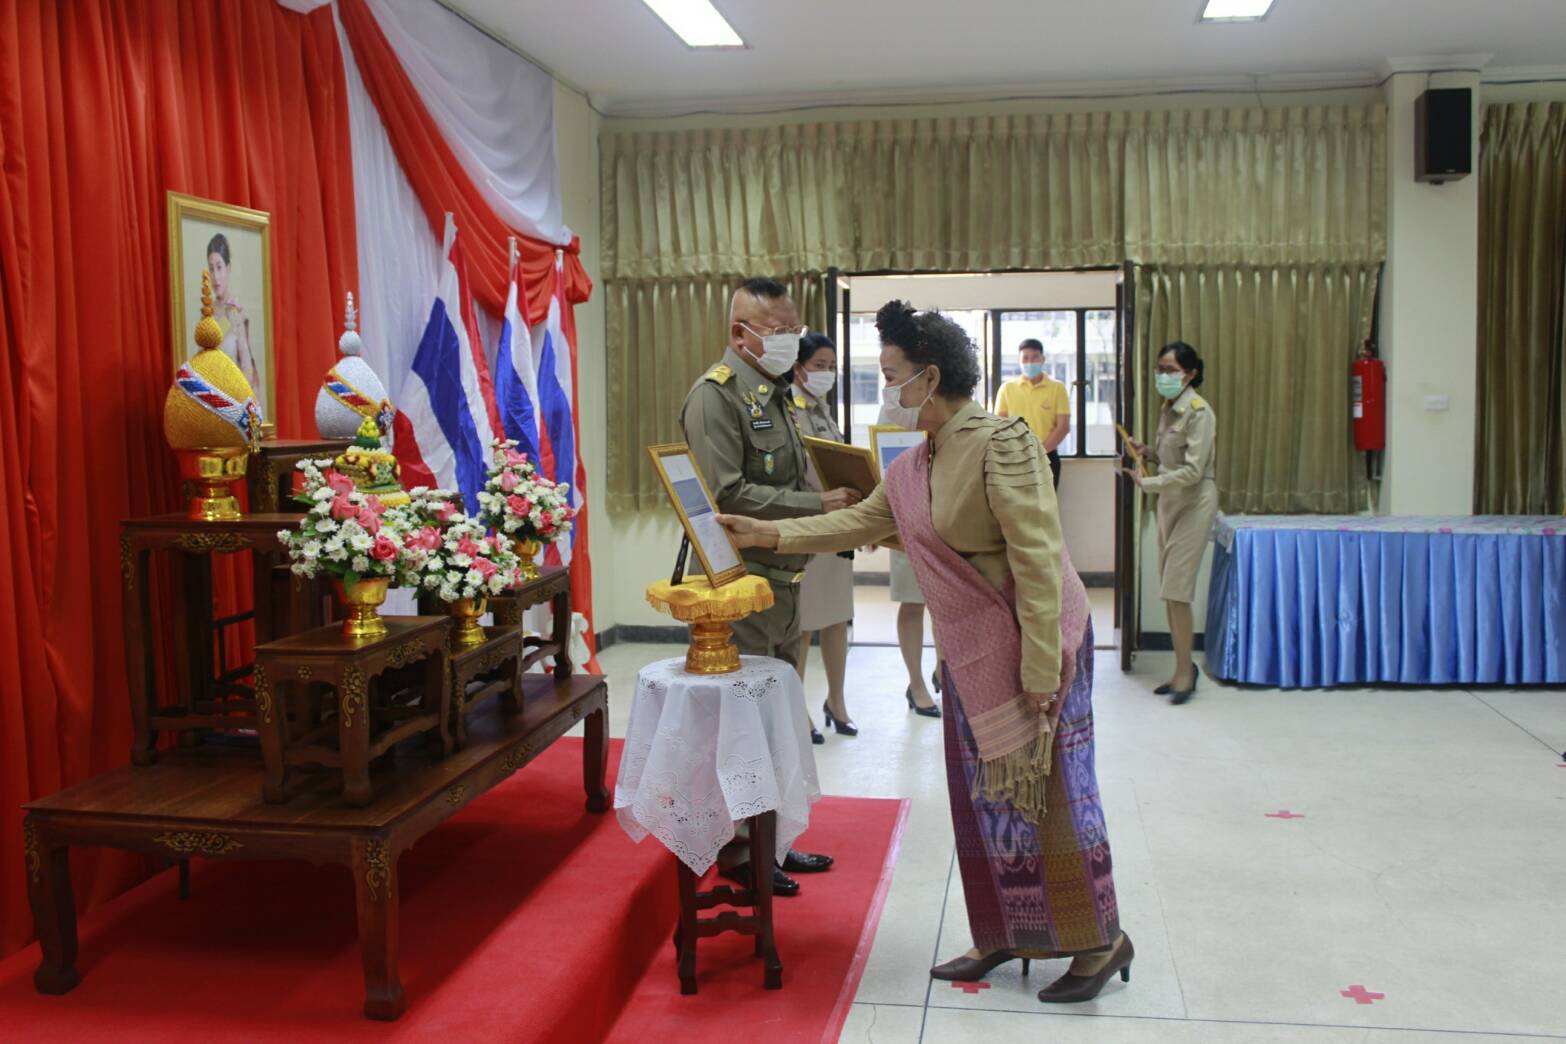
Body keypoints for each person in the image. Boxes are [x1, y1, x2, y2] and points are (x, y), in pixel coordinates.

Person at [719, 300, 1131, 1004]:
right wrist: (765, 533)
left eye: (891, 375)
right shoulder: (916, 465)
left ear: (930, 376)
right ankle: (1007, 928)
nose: (886, 388)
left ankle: (1100, 939)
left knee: (1057, 791)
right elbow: (861, 518)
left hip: (1038, 644)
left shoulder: (1000, 443)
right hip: (974, 652)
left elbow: (1037, 559)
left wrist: (1041, 667)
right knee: (984, 801)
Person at [680, 276, 861, 898]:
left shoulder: (776, 393)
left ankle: (773, 839)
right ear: (741, 333)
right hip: (742, 585)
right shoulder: (716, 397)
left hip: (784, 581)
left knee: (779, 723)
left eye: (792, 328)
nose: (789, 341)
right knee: (744, 728)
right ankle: (738, 852)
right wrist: (816, 505)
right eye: (779, 332)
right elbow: (725, 494)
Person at [1122, 341, 1217, 705]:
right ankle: (1182, 667)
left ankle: (1184, 673)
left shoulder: (1198, 411)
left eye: (1170, 369)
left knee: (1177, 590)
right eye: (1159, 368)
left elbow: (1193, 471)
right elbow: (1170, 458)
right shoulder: (1169, 408)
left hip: (1194, 502)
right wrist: (1148, 453)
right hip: (1170, 503)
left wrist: (1150, 483)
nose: (1162, 375)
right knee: (1170, 590)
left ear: (1190, 373)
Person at [791, 332, 858, 737]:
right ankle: (796, 708)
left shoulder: (823, 409)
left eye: (832, 366)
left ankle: (837, 700)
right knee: (802, 626)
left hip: (839, 529)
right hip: (809, 527)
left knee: (836, 619)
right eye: (820, 365)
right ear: (798, 368)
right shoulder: (788, 409)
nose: (827, 373)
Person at [879, 405, 942, 719]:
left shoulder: (949, 400)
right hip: (906, 517)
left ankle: (944, 670)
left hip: (947, 515)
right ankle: (916, 683)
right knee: (913, 601)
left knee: (947, 601)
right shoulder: (892, 409)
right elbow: (883, 464)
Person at [994, 338, 1071, 488]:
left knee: (1046, 508)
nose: (1030, 362)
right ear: (1019, 360)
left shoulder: (1057, 388)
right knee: (1015, 507)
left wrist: (1039, 452)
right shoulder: (1007, 388)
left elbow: (1063, 427)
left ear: (1042, 359)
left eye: (1035, 357)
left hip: (1048, 458)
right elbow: (1000, 425)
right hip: (1015, 457)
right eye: (1025, 358)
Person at [205, 233, 262, 405]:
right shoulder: (207, 314)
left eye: (219, 267)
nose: (215, 276)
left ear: (228, 268)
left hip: (233, 402)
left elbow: (247, 368)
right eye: (211, 268)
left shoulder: (236, 313)